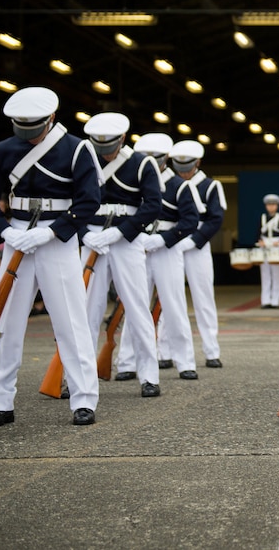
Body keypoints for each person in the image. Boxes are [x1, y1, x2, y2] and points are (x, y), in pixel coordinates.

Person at [0, 86, 100, 427]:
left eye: (35, 129)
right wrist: (6, 232)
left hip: (56, 238)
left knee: (71, 321)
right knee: (7, 322)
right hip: (17, 235)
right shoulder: (3, 150)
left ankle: (84, 398)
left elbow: (88, 201)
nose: (28, 136)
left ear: (52, 119)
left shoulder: (77, 150)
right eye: (22, 128)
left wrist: (52, 232)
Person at [79, 112, 163, 398]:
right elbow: (70, 199)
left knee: (137, 306)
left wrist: (121, 232)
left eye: (109, 146)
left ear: (123, 139)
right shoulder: (84, 159)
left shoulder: (141, 164)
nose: (104, 152)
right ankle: (78, 376)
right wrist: (83, 233)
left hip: (126, 238)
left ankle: (149, 376)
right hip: (92, 238)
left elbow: (152, 206)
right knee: (87, 310)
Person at [118, 133, 201, 378]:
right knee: (134, 304)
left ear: (166, 159)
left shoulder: (179, 185)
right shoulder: (133, 182)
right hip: (138, 244)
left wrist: (164, 238)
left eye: (156, 158)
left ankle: (185, 362)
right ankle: (127, 362)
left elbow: (190, 221)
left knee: (174, 304)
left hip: (166, 247)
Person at [171, 140, 225, 369]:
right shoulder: (169, 184)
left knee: (203, 299)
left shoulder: (211, 186)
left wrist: (194, 241)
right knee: (169, 299)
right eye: (179, 168)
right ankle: (165, 351)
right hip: (171, 243)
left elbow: (215, 219)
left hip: (198, 247)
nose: (183, 173)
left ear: (198, 163)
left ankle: (211, 350)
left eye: (188, 168)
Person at [256, 194, 279, 309]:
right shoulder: (262, 218)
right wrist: (260, 241)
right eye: (269, 205)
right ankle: (265, 301)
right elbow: (258, 234)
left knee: (276, 275)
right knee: (264, 275)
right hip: (265, 246)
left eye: (273, 204)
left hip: (277, 247)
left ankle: (275, 301)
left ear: (277, 206)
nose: (271, 207)